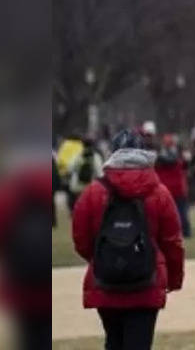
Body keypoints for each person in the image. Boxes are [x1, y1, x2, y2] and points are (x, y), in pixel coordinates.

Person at [71, 130, 184, 350]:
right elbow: (172, 241)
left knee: (113, 341)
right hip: (147, 281)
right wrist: (174, 278)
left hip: (106, 280)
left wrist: (102, 258)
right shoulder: (159, 193)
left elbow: (80, 238)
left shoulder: (94, 192)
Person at [0, 160, 54, 350]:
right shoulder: (46, 187)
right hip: (46, 281)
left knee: (28, 336)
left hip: (20, 283)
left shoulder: (2, 195)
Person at [155, 133, 191, 238]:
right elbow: (186, 167)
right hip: (178, 189)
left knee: (165, 214)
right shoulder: (179, 158)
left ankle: (167, 232)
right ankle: (186, 232)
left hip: (165, 189)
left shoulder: (158, 160)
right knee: (182, 212)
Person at [66, 138, 104, 214]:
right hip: (90, 187)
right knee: (89, 209)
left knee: (77, 208)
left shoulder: (77, 156)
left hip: (76, 187)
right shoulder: (96, 157)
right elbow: (100, 173)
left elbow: (69, 168)